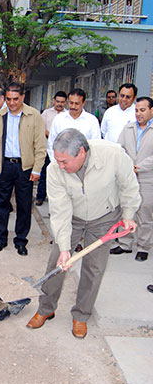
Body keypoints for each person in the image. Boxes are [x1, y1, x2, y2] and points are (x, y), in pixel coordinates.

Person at [27, 129, 140, 338]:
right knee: (57, 263)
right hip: (73, 216)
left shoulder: (113, 155)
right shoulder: (54, 170)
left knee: (94, 267)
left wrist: (128, 214)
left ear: (81, 152)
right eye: (57, 160)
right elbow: (60, 211)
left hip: (104, 216)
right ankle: (46, 308)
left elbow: (129, 186)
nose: (60, 166)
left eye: (64, 161)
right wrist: (64, 248)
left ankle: (81, 314)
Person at [0, 82, 46, 256]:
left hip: (25, 168)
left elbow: (40, 146)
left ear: (23, 97)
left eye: (15, 99)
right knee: (0, 204)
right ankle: (0, 239)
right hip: (3, 167)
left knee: (24, 206)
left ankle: (21, 241)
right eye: (9, 99)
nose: (12, 103)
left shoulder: (34, 116)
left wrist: (37, 169)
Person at [110, 97, 153, 260]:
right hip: (127, 177)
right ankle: (124, 243)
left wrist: (139, 167)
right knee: (126, 209)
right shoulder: (128, 128)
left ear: (151, 111)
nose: (138, 114)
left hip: (148, 177)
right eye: (136, 110)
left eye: (142, 110)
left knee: (145, 213)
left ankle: (143, 246)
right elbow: (119, 149)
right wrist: (126, 166)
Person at [47, 89, 101, 160]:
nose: (73, 106)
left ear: (83, 103)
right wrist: (56, 162)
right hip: (60, 164)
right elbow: (51, 142)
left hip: (84, 166)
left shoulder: (92, 120)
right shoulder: (59, 119)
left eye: (77, 104)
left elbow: (96, 145)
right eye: (71, 103)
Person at [35, 91, 67, 206]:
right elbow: (40, 127)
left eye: (62, 102)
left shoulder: (66, 115)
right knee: (44, 173)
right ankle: (40, 196)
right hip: (47, 148)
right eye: (57, 101)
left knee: (59, 176)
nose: (59, 104)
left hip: (62, 151)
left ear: (65, 102)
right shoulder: (46, 113)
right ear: (54, 101)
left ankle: (55, 199)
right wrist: (50, 134)